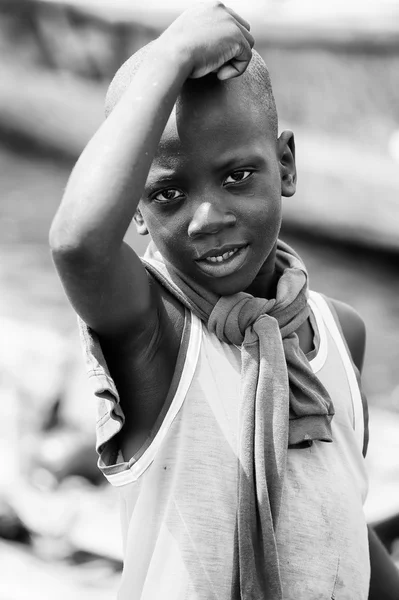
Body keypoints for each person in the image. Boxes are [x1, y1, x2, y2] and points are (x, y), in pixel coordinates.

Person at [49, 2, 399, 598]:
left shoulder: (340, 332)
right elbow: (78, 244)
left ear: (285, 164)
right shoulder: (155, 335)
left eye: (237, 176)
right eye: (167, 194)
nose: (207, 218)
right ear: (133, 206)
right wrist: (172, 53)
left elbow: (327, 502)